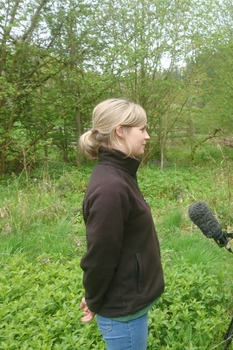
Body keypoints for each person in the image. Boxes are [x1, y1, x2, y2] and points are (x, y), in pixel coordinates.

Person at [78, 98, 165, 350]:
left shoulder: (121, 175)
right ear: (120, 131)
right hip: (122, 309)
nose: (147, 136)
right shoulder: (111, 186)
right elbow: (100, 255)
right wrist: (94, 299)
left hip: (127, 302)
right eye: (142, 129)